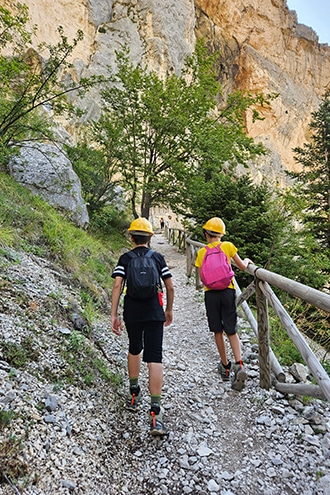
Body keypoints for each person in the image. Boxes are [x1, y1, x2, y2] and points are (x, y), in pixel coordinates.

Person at [111, 218, 174, 435]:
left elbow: (118, 284)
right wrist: (169, 310)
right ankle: (155, 412)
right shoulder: (157, 258)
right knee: (155, 357)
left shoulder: (125, 258)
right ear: (150, 238)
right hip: (154, 311)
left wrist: (114, 314)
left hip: (132, 310)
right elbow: (170, 286)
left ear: (131, 237)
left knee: (134, 347)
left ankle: (133, 393)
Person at [195, 217, 252, 391]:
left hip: (210, 294)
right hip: (227, 291)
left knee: (217, 330)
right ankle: (239, 364)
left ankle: (225, 366)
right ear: (221, 234)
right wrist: (248, 261)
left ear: (206, 234)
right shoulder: (228, 246)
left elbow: (201, 276)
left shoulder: (202, 252)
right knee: (231, 329)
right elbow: (242, 266)